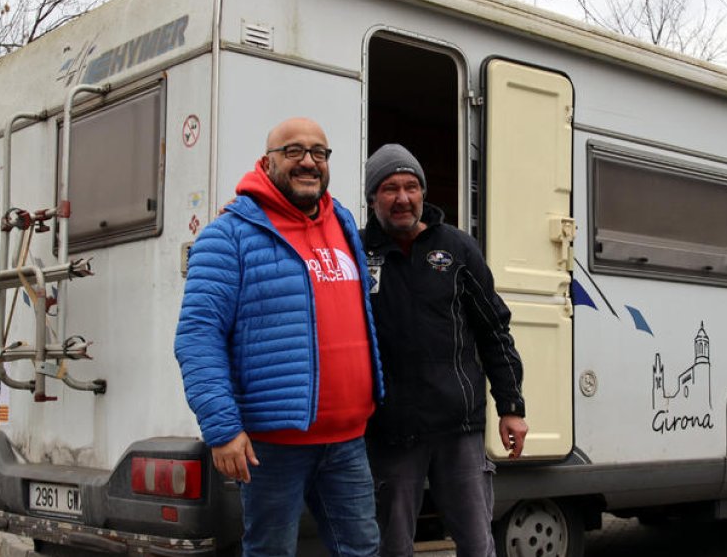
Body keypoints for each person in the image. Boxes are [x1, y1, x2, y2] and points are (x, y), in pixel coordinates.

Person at [174, 117, 383, 557]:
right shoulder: (227, 236)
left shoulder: (342, 224)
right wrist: (222, 428)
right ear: (267, 162)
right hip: (273, 446)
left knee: (363, 551)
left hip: (347, 440)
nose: (308, 162)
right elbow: (198, 336)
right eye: (293, 151)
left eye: (319, 153)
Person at [361, 143, 527, 557]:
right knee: (390, 548)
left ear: (423, 192)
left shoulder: (457, 248)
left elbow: (494, 329)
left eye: (411, 186)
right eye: (390, 188)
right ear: (371, 198)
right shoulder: (357, 252)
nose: (403, 198)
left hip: (459, 428)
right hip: (390, 430)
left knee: (475, 544)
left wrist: (511, 406)